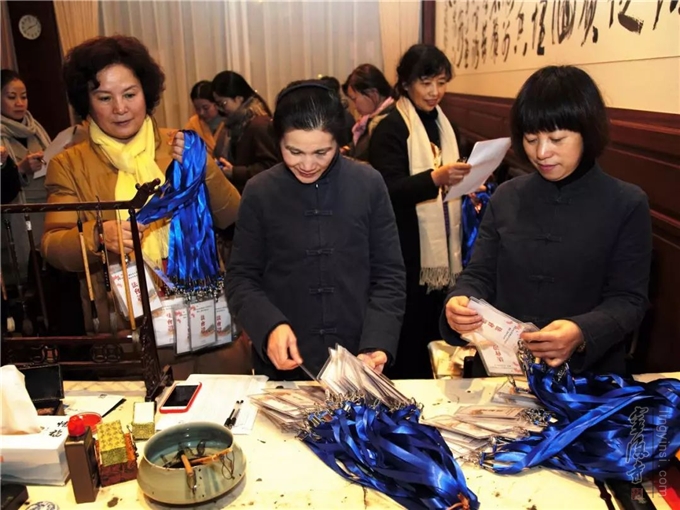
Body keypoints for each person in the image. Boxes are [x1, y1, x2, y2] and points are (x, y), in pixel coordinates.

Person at [41, 35, 245, 377]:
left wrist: (203, 167)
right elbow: (51, 245)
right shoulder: (69, 165)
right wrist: (96, 236)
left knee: (223, 402)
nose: (120, 108)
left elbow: (232, 216)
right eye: (104, 98)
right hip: (130, 329)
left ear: (146, 94)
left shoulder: (178, 142)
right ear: (86, 102)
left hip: (205, 315)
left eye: (129, 94)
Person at [440, 65, 652, 376]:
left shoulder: (626, 203)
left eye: (556, 139)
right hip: (504, 373)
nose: (541, 152)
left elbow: (629, 300)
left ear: (587, 133)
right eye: (531, 139)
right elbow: (480, 273)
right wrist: (459, 301)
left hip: (586, 378)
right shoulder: (507, 196)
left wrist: (581, 331)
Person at [225, 80, 406, 380]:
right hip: (287, 363)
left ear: (338, 142)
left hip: (357, 357)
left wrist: (377, 343)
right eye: (294, 151)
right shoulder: (260, 191)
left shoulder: (368, 184)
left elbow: (389, 275)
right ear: (278, 141)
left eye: (322, 152)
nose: (307, 164)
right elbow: (241, 278)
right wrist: (269, 326)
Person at [368, 44, 471, 379]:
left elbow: (450, 179)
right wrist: (434, 179)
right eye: (426, 83)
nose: (434, 92)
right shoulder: (391, 128)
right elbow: (387, 190)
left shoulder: (445, 125)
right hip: (406, 246)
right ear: (406, 83)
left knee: (434, 328)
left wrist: (467, 182)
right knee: (409, 330)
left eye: (441, 83)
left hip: (442, 252)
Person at [1, 69, 52, 282]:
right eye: (11, 97)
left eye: (24, 96)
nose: (19, 103)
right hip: (15, 221)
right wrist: (19, 169)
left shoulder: (35, 128)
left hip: (46, 211)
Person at [211, 71, 279, 193]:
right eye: (217, 105)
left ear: (239, 99)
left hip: (258, 194)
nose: (220, 110)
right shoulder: (231, 124)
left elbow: (271, 166)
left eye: (223, 104)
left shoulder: (259, 124)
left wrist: (235, 172)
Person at [342, 64, 395, 161]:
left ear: (373, 93)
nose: (354, 106)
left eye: (354, 99)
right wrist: (346, 150)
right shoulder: (370, 118)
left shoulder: (388, 121)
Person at [184, 80, 227, 158]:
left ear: (217, 103)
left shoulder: (230, 123)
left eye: (206, 108)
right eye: (197, 108)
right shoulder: (193, 124)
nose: (201, 113)